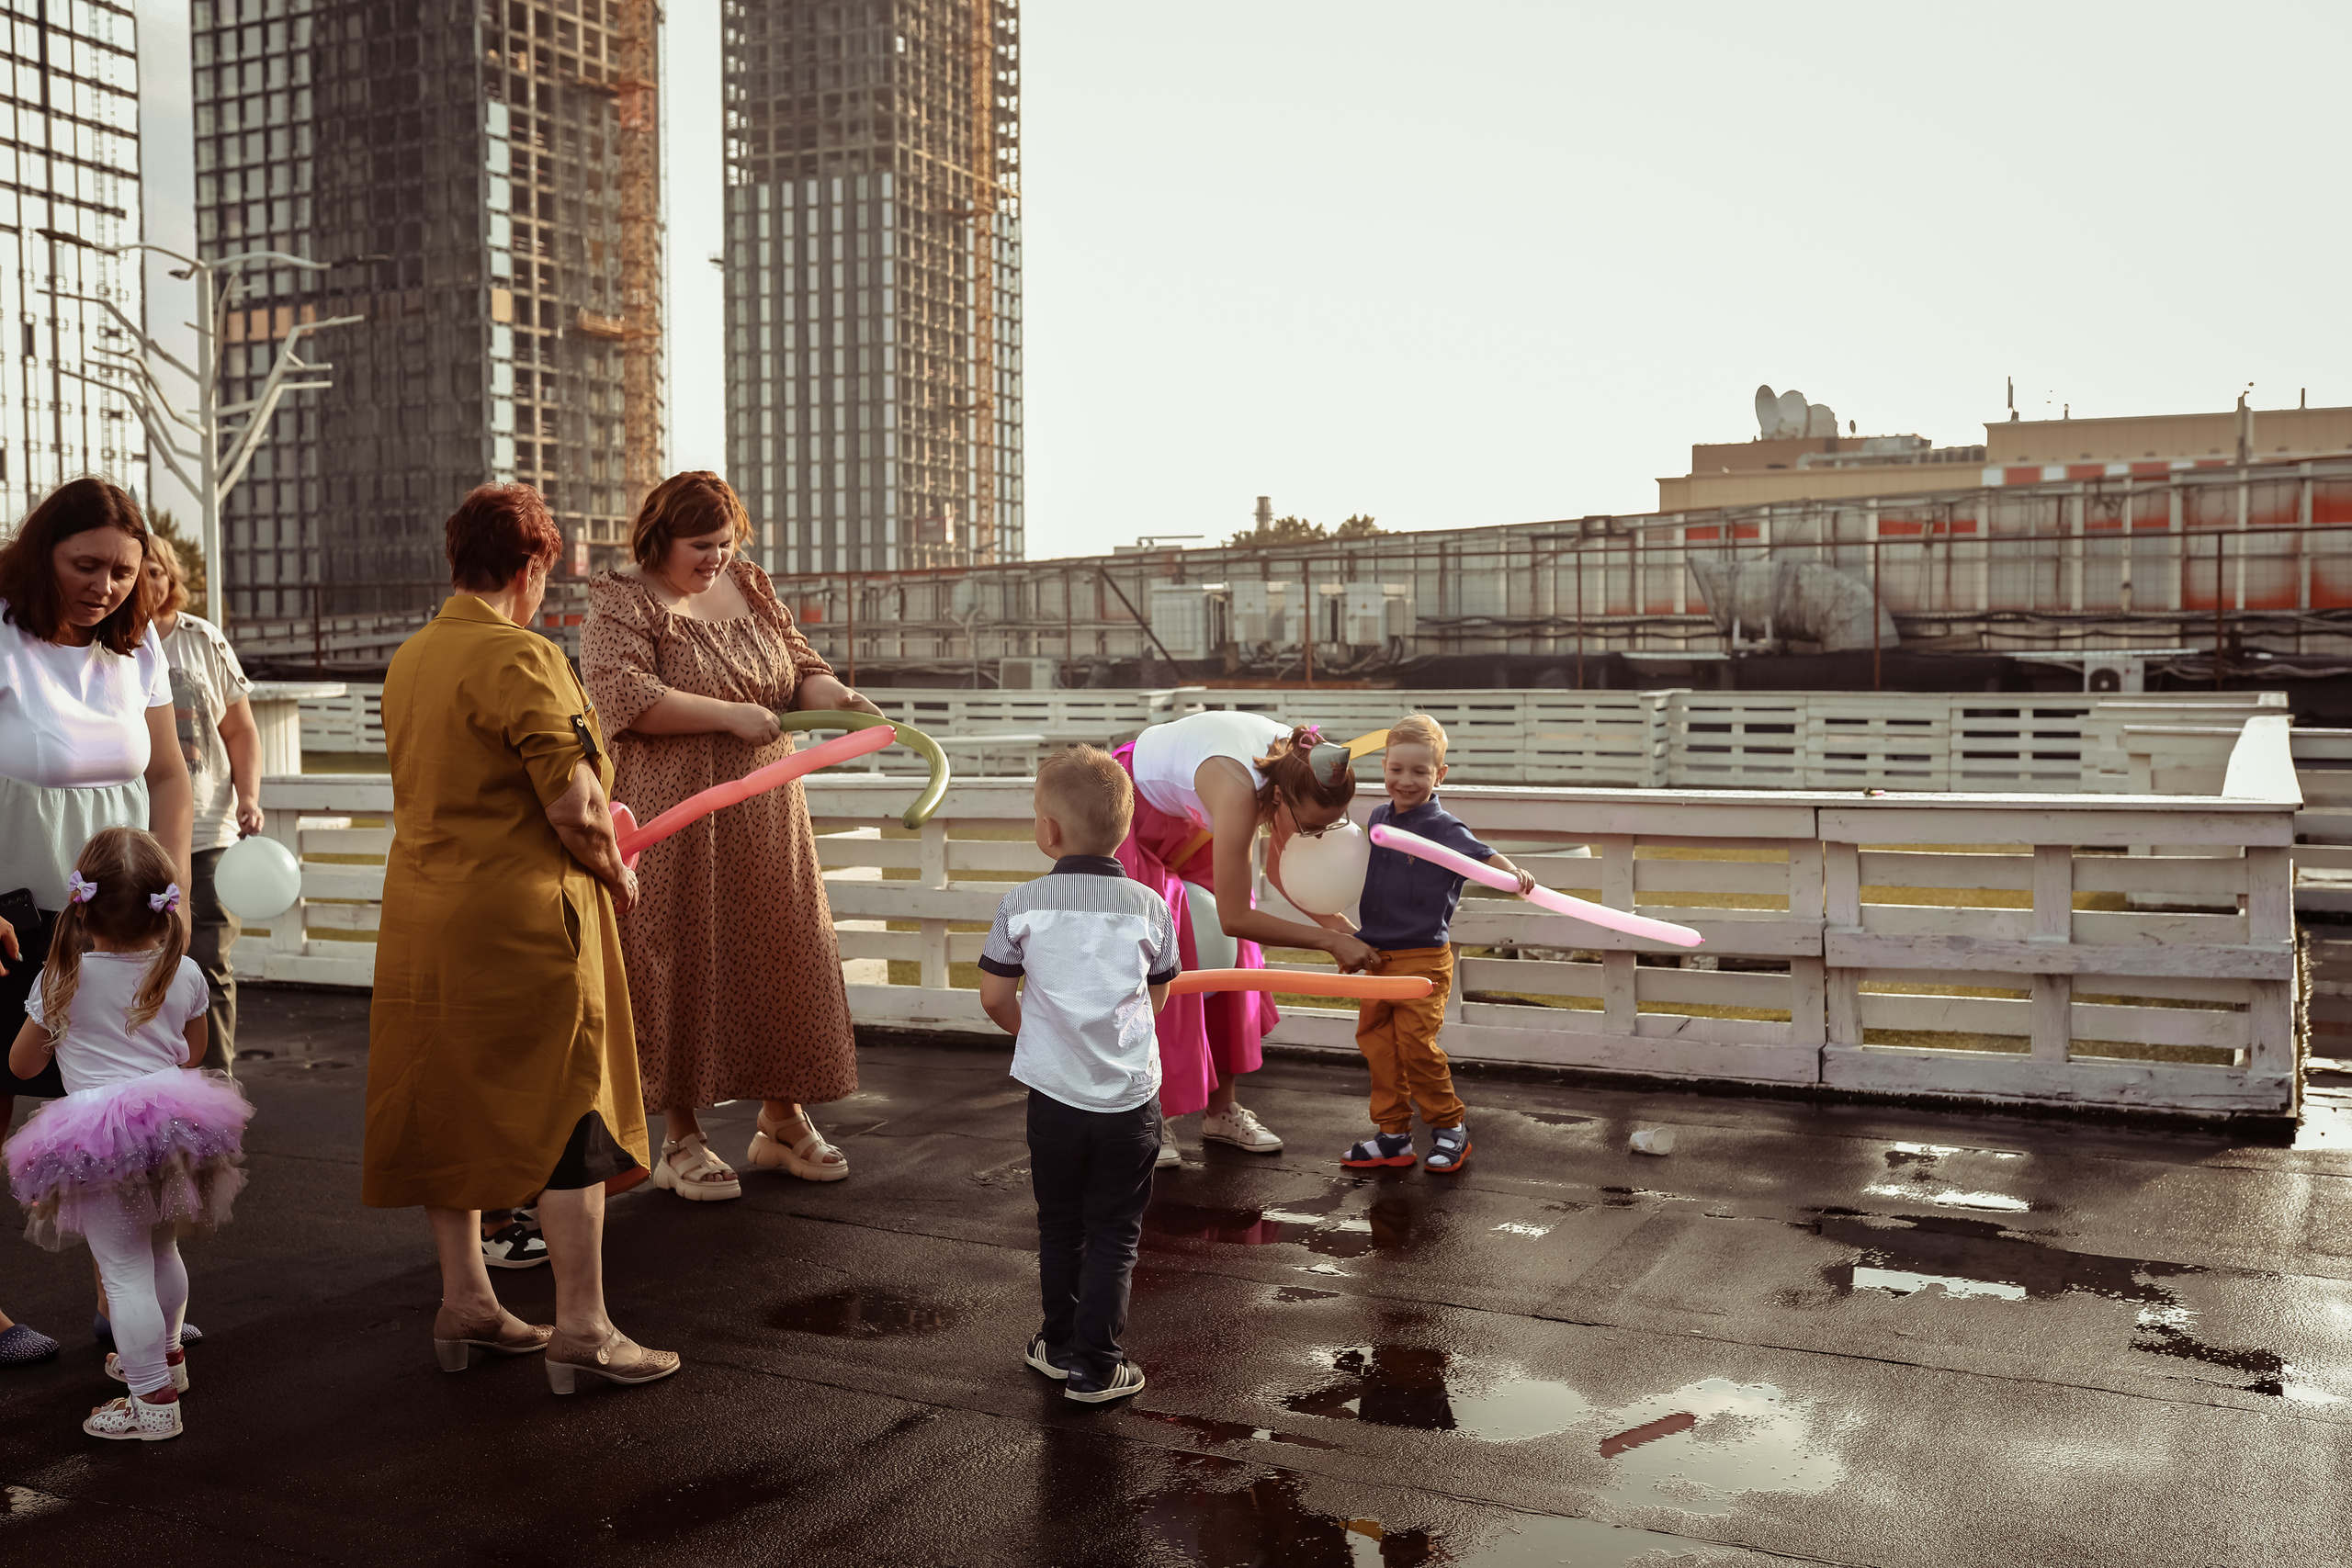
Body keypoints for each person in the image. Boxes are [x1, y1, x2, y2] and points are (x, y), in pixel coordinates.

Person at [364, 483, 676, 1394]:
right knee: (569, 1105)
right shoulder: (523, 656)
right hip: (522, 914)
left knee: (449, 1095)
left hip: (424, 914)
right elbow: (576, 806)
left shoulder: (412, 658)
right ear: (533, 565)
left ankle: (467, 1300)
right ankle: (582, 1326)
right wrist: (616, 871)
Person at [582, 471, 878, 1201]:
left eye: (723, 542)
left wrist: (835, 698)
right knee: (674, 955)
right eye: (699, 545)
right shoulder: (621, 597)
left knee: (782, 947)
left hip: (765, 812)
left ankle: (782, 1118)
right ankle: (679, 1134)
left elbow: (798, 669)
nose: (714, 557)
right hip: (672, 810)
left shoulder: (748, 582)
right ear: (660, 539)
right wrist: (727, 713)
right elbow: (622, 694)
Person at [0, 477, 194, 1367]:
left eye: (123, 571)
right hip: (14, 919)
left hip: (117, 924)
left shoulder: (136, 644)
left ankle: (122, 1306)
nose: (106, 587)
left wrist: (172, 893)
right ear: (43, 552)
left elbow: (168, 776)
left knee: (114, 1114)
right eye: (87, 566)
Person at [4, 827, 253, 1441]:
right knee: (162, 1249)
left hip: (95, 1137)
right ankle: (166, 1359)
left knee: (122, 1268)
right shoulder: (185, 971)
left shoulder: (62, 977)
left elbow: (22, 1066)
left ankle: (153, 1403)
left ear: (80, 906)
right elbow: (194, 1051)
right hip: (171, 1127)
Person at [978, 747, 1176, 1404]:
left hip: (1055, 1098)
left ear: (1049, 831)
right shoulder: (1150, 906)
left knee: (1060, 1223)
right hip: (1128, 1101)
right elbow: (1157, 998)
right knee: (1115, 1231)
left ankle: (1058, 1346)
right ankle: (1097, 1365)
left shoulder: (1022, 904)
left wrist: (1038, 1035)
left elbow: (994, 996)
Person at [1118, 712, 1374, 1167]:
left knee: (1240, 961)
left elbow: (1279, 868)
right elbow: (1235, 917)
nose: (1315, 838)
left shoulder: (1301, 770)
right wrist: (1328, 942)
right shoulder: (1240, 791)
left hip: (1192, 810)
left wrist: (1338, 925)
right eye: (1310, 827)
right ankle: (1153, 1112)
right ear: (1277, 798)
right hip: (1132, 808)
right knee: (1172, 947)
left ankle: (1222, 1112)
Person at [1342, 715, 1534, 1176]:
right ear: (1384, 767)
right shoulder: (1378, 816)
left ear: (1439, 775)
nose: (1405, 781)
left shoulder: (1443, 826)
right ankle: (1393, 1136)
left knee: (1415, 1045)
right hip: (1377, 956)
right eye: (1395, 769)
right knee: (1377, 1045)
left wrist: (1515, 875)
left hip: (1423, 958)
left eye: (1419, 772)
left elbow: (1484, 857)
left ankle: (1451, 1128)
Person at [140, 536, 263, 1075]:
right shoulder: (101, 643)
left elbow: (240, 731)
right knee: (133, 969)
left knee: (207, 967)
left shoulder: (201, 641)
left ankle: (214, 1097)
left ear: (169, 578)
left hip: (208, 836)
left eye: (155, 572)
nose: (146, 584)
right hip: (132, 843)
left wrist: (250, 797)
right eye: (135, 572)